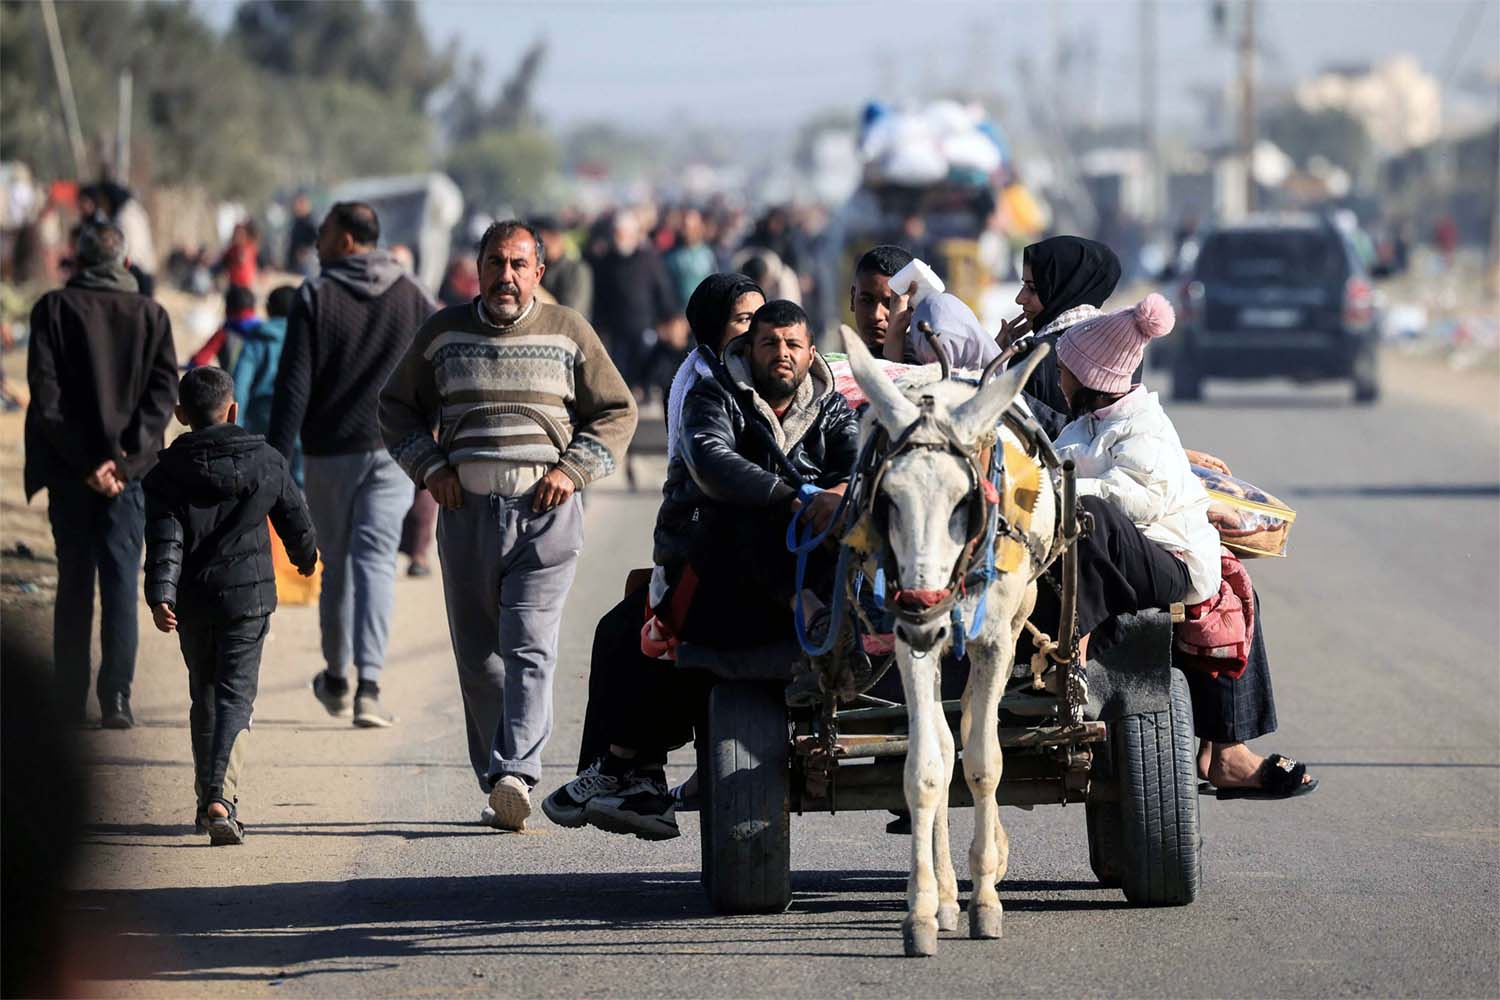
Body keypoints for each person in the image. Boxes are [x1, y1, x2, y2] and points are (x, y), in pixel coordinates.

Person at [543, 299, 858, 840]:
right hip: (731, 573)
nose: (781, 354)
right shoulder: (713, 394)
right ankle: (625, 773)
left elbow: (857, 467)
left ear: (810, 354)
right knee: (634, 626)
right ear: (746, 349)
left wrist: (837, 493)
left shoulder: (833, 408)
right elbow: (710, 460)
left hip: (823, 567)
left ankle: (624, 768)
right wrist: (791, 498)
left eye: (792, 345)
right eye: (767, 342)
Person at [379, 219, 637, 831]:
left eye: (520, 265)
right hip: (465, 512)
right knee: (479, 660)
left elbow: (617, 411)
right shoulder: (442, 333)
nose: (507, 276)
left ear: (538, 273)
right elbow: (396, 409)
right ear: (478, 267)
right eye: (496, 262)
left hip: (545, 514)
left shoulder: (570, 331)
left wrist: (572, 471)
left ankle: (517, 771)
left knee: (528, 647)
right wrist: (431, 467)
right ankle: (496, 775)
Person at [1036, 294, 1317, 798]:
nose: (1059, 380)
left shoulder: (1142, 426)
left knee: (1092, 514)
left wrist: (1057, 489)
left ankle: (1076, 645)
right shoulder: (1086, 425)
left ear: (1092, 377)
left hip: (1175, 566)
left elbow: (1137, 501)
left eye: (1065, 372)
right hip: (1133, 556)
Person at [268, 201, 435, 728]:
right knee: (376, 563)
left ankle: (338, 677)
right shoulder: (413, 294)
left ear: (345, 240)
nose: (316, 243)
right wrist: (431, 431)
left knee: (336, 565)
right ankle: (370, 687)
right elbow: (439, 365)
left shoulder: (315, 294)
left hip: (329, 452)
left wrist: (273, 462)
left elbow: (293, 384)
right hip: (394, 451)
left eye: (323, 233)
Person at [143, 367, 319, 845]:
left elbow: (165, 541)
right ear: (234, 409)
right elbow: (295, 519)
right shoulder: (266, 460)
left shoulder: (165, 475)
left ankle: (208, 801)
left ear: (180, 415)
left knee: (203, 695)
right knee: (235, 697)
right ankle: (221, 798)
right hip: (248, 599)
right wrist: (306, 559)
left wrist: (160, 594)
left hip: (192, 604)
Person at [24, 222, 177, 728]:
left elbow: (46, 400)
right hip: (128, 479)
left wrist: (86, 463)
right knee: (119, 583)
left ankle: (68, 700)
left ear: (79, 262)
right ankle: (116, 699)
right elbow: (161, 398)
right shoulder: (152, 315)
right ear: (125, 263)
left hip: (72, 474)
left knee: (73, 584)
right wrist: (125, 461)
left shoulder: (53, 310)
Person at [1004, 235, 1122, 437]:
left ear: (1064, 290)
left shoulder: (1032, 356)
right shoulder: (1122, 349)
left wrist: (994, 357)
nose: (1020, 298)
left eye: (1033, 288)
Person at [589, 210, 681, 393]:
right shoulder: (605, 262)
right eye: (615, 233)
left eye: (621, 234)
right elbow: (599, 297)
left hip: (645, 327)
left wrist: (670, 317)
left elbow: (662, 291)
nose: (618, 239)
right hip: (616, 330)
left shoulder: (649, 259)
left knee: (645, 370)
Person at [232, 285, 302, 485]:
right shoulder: (305, 338)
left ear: (268, 309)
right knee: (298, 482)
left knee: (260, 481)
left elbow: (241, 385)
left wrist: (236, 427)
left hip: (261, 418)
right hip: (298, 417)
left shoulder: (257, 339)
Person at [848, 244, 914, 355]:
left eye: (890, 304)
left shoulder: (922, 362)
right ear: (853, 298)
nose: (876, 315)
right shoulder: (844, 364)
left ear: (912, 306)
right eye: (866, 300)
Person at [532, 215, 593, 317]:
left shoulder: (576, 270)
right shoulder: (540, 266)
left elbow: (571, 314)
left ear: (554, 237)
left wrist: (531, 284)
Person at [663, 208, 717, 314]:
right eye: (685, 227)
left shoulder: (708, 255)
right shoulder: (671, 257)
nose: (688, 231)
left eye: (692, 227)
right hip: (678, 317)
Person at [285, 193, 319, 277]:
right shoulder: (297, 221)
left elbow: (316, 239)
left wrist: (305, 250)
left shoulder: (310, 222)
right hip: (294, 263)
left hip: (305, 263)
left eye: (300, 204)